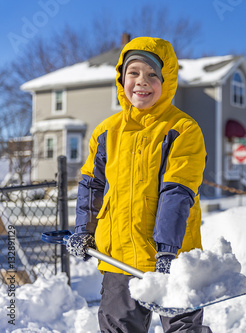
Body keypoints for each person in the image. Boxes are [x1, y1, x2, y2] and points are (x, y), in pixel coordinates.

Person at [65, 36, 212, 333]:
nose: (141, 82)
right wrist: (84, 230)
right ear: (122, 78)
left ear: (166, 81)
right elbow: (91, 187)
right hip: (117, 256)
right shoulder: (107, 132)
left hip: (172, 256)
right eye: (133, 73)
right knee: (118, 328)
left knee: (183, 329)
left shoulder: (182, 129)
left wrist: (167, 251)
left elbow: (177, 191)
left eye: (152, 75)